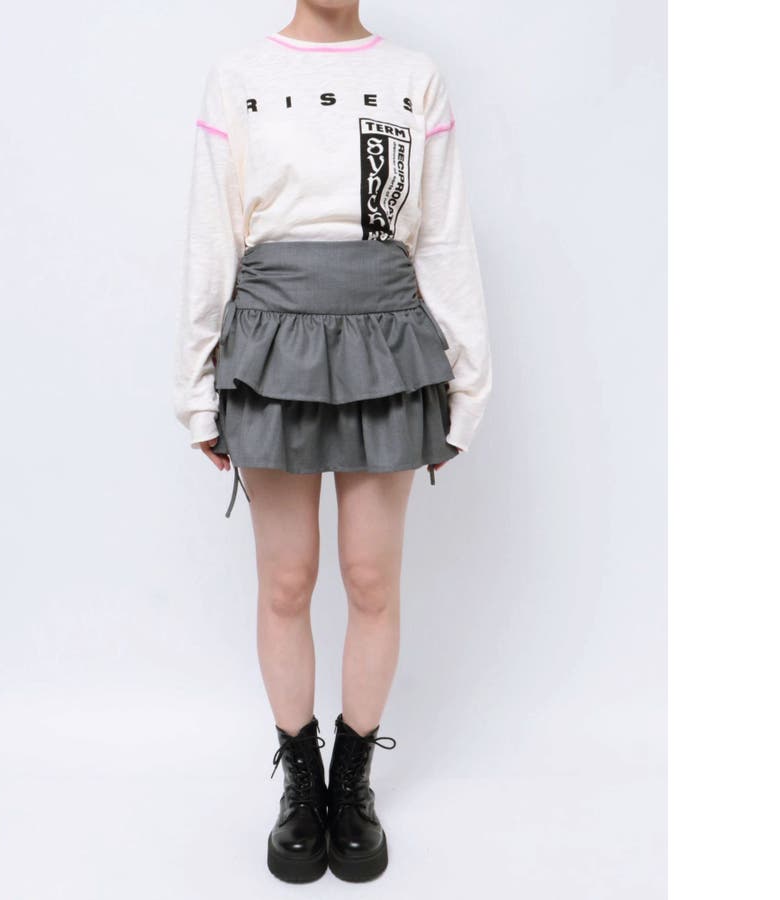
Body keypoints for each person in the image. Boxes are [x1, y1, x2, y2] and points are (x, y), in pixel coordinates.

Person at [173, 1, 491, 884]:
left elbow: (442, 235)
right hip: (271, 342)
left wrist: (469, 382)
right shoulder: (238, 77)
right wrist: (195, 386)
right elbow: (212, 233)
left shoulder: (413, 77)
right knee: (286, 579)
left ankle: (352, 783)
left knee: (370, 576)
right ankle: (300, 785)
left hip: (387, 339)